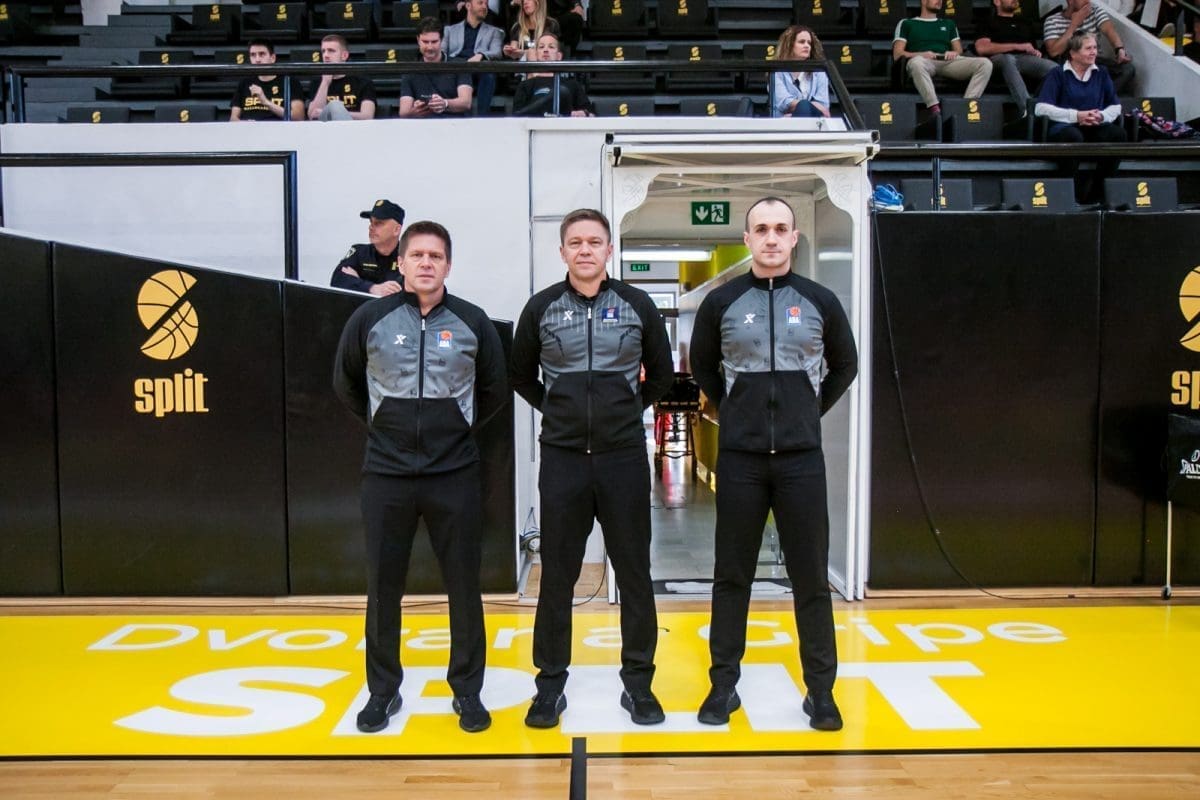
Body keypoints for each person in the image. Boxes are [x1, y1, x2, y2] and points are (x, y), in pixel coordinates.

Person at [333, 219, 508, 735]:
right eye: (418, 255)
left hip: (454, 474)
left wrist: (453, 429)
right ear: (402, 263)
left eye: (436, 256)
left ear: (448, 265)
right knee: (383, 586)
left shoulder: (473, 321)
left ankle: (467, 692)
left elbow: (494, 391)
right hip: (386, 474)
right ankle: (382, 691)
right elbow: (345, 382)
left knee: (464, 586)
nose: (426, 263)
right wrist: (384, 426)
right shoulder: (369, 317)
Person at [689, 197, 858, 732]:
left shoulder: (819, 300)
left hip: (801, 462)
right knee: (731, 576)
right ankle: (723, 686)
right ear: (747, 239)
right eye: (761, 228)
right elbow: (702, 367)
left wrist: (805, 410)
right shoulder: (721, 302)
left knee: (810, 579)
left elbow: (845, 365)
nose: (771, 237)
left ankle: (821, 693)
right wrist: (737, 412)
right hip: (740, 461)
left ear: (793, 238)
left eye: (780, 228)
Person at [509, 208, 674, 729]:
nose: (585, 250)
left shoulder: (637, 305)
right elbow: (521, 376)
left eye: (594, 242)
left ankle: (639, 685)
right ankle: (549, 686)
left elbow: (662, 375)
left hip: (622, 459)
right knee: (557, 576)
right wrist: (561, 411)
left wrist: (622, 411)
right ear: (562, 251)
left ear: (609, 250)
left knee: (635, 573)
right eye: (575, 242)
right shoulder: (541, 308)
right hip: (563, 461)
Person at [1034, 32, 1127, 202]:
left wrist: (1101, 116)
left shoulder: (1102, 73)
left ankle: (1097, 195)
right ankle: (1069, 196)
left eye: (1095, 48)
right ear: (1073, 53)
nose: (1094, 52)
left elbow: (1116, 106)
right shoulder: (1058, 74)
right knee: (1073, 136)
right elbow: (1041, 108)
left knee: (1118, 135)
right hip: (1064, 127)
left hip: (1094, 125)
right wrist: (1076, 116)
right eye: (1088, 48)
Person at [892, 0, 993, 116]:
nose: (940, 1)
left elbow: (958, 50)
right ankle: (934, 108)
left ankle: (966, 108)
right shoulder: (906, 23)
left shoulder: (949, 23)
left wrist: (953, 53)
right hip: (923, 61)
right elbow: (897, 54)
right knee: (916, 63)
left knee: (985, 63)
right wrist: (921, 54)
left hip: (947, 61)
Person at [974, 0, 1057, 111]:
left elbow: (1031, 47)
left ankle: (1041, 105)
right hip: (997, 59)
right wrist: (1017, 46)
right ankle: (1027, 110)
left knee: (1055, 69)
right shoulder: (988, 21)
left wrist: (1035, 52)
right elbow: (982, 48)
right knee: (1008, 59)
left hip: (1024, 59)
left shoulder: (1025, 22)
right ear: (997, 2)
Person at [1043, 0, 1135, 93]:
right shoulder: (1052, 21)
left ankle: (1100, 96)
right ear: (1071, 1)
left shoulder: (1095, 11)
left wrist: (1119, 49)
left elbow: (1109, 31)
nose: (1087, 1)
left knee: (1127, 69)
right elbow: (1053, 51)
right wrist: (1074, 25)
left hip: (1095, 62)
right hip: (1072, 65)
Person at [400, 18, 474, 118]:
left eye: (434, 42)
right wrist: (416, 110)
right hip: (424, 124)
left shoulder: (460, 65)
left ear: (442, 40)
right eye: (425, 42)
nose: (430, 47)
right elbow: (404, 112)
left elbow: (466, 102)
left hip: (453, 123)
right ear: (418, 40)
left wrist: (445, 103)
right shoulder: (410, 70)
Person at [331, 200, 405, 296]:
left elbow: (411, 291)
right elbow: (337, 280)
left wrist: (357, 281)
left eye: (378, 223)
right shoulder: (359, 252)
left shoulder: (408, 257)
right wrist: (371, 288)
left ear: (396, 230)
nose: (371, 227)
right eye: (371, 222)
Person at [444, 0, 505, 116]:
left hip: (479, 68)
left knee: (489, 75)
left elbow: (497, 52)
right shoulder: (450, 30)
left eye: (486, 4)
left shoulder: (494, 31)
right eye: (480, 3)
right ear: (468, 6)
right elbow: (442, 52)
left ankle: (482, 117)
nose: (484, 7)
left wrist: (481, 55)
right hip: (457, 67)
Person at [512, 32, 595, 116]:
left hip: (563, 123)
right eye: (541, 47)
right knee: (562, 92)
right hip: (535, 123)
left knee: (563, 92)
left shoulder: (573, 84)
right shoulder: (525, 85)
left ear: (559, 56)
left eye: (551, 47)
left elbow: (591, 115)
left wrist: (583, 113)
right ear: (536, 55)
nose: (545, 50)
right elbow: (515, 117)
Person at [229, 39, 305, 121]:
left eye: (262, 54)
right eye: (253, 55)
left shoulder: (290, 82)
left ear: (273, 58)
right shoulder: (244, 83)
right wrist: (244, 123)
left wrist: (266, 102)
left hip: (277, 128)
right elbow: (233, 118)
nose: (257, 60)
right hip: (248, 128)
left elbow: (298, 117)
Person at [307, 34, 378, 120]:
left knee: (335, 106)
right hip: (326, 128)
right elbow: (312, 115)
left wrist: (335, 113)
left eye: (331, 51)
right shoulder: (317, 82)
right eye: (323, 51)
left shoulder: (362, 81)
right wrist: (325, 83)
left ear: (344, 55)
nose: (326, 55)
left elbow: (367, 116)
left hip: (355, 127)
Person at [771, 25, 831, 118]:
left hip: (814, 121)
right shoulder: (776, 72)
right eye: (802, 42)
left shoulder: (819, 72)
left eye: (809, 43)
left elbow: (823, 105)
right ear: (789, 45)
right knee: (803, 106)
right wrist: (807, 105)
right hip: (785, 123)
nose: (807, 46)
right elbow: (783, 103)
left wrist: (801, 108)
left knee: (804, 106)